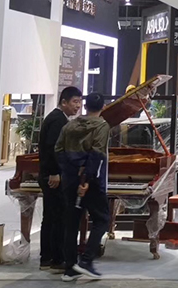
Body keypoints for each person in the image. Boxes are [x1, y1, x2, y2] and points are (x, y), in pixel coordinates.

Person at [55, 92, 110, 281]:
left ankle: (69, 269)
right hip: (90, 182)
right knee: (102, 219)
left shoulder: (69, 125)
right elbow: (96, 154)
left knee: (71, 223)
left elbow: (58, 150)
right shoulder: (101, 126)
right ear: (103, 107)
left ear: (85, 107)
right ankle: (86, 261)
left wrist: (73, 171)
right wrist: (85, 180)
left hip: (69, 180)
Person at [38, 86, 82, 273]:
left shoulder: (59, 118)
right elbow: (52, 148)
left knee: (50, 217)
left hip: (50, 173)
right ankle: (57, 259)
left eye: (80, 102)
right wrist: (55, 173)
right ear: (64, 102)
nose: (78, 106)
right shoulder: (57, 120)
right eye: (75, 102)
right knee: (58, 218)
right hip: (52, 175)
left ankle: (46, 258)